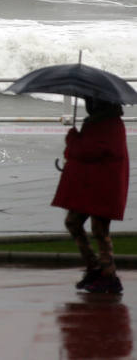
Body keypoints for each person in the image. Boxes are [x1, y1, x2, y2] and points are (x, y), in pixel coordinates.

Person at [52, 97, 130, 293]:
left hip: (104, 187)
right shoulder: (98, 122)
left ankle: (108, 275)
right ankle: (95, 267)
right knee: (74, 222)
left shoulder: (109, 124)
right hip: (93, 185)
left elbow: (88, 151)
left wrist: (72, 138)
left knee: (99, 230)